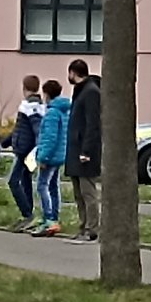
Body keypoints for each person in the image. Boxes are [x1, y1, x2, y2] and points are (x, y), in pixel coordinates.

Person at [65, 60, 101, 244]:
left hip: (84, 151)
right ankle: (83, 225)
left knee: (88, 192)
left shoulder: (91, 92)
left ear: (73, 72)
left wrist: (86, 150)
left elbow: (93, 124)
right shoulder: (80, 91)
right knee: (78, 193)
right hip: (75, 148)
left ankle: (92, 229)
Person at [33, 79, 71, 237]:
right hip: (60, 154)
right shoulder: (64, 111)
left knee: (42, 186)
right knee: (54, 186)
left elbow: (49, 137)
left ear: (46, 94)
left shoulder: (51, 113)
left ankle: (48, 218)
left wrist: (43, 157)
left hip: (50, 156)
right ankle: (54, 216)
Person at [7, 74, 43, 231]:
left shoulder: (30, 106)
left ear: (24, 88)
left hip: (25, 151)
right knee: (25, 181)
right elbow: (19, 129)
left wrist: (37, 148)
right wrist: (5, 142)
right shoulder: (34, 105)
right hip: (25, 149)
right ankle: (29, 214)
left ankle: (27, 213)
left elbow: (36, 129)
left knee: (13, 182)